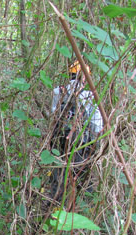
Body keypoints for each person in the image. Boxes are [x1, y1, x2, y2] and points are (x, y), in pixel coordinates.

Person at [49, 61, 103, 200]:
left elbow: (53, 116)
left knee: (58, 177)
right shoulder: (90, 96)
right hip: (81, 145)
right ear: (84, 77)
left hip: (59, 142)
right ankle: (83, 208)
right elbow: (97, 126)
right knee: (83, 180)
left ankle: (53, 208)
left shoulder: (59, 91)